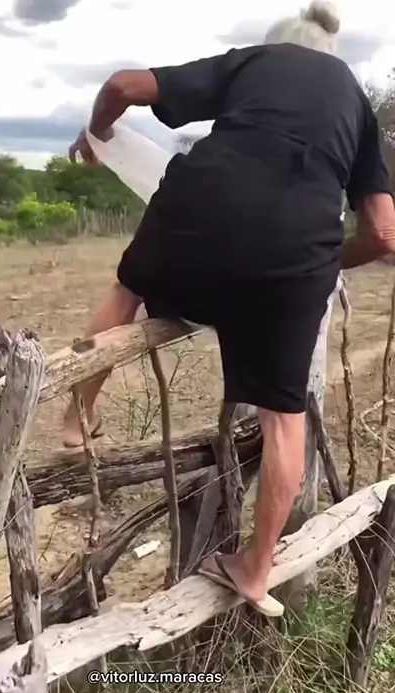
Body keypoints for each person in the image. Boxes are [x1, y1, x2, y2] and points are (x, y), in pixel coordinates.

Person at [63, 0, 395, 613]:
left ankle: (77, 418)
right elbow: (382, 233)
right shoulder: (354, 102)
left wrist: (99, 133)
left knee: (129, 288)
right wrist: (321, 262)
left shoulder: (257, 62)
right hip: (294, 252)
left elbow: (123, 86)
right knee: (283, 417)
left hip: (200, 211)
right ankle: (255, 568)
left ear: (280, 44)